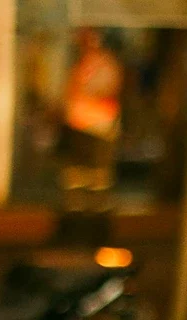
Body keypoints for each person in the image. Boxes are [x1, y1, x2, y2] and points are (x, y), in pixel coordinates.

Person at [60, 28, 124, 213]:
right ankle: (76, 206)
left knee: (98, 172)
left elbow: (108, 87)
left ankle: (97, 206)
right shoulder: (79, 64)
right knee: (78, 172)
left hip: (100, 125)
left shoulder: (104, 64)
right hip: (80, 124)